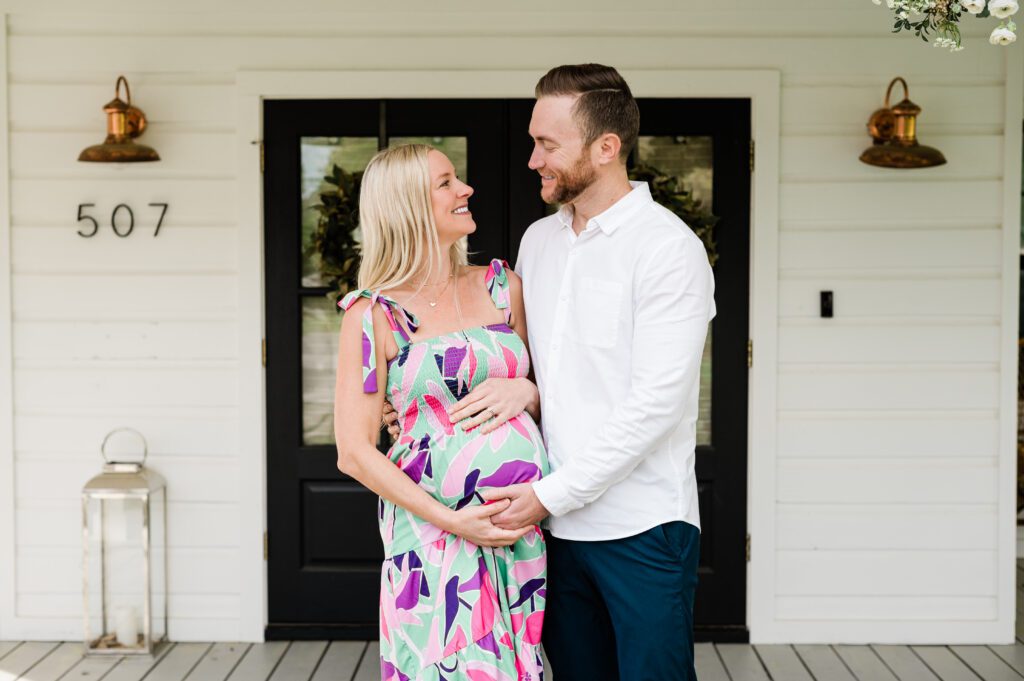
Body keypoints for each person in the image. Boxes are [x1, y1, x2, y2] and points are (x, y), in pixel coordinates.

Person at [453, 64, 715, 680]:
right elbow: (552, 369)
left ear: (606, 147)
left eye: (548, 144)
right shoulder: (539, 242)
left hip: (643, 528)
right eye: (533, 140)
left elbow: (655, 404)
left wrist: (547, 496)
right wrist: (526, 388)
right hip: (554, 529)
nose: (531, 159)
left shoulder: (666, 249)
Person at [333, 143, 549, 681]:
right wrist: (455, 521)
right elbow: (355, 453)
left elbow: (564, 394)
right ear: (406, 206)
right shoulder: (372, 314)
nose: (466, 190)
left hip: (518, 532)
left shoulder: (503, 287)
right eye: (446, 183)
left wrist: (529, 393)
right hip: (434, 538)